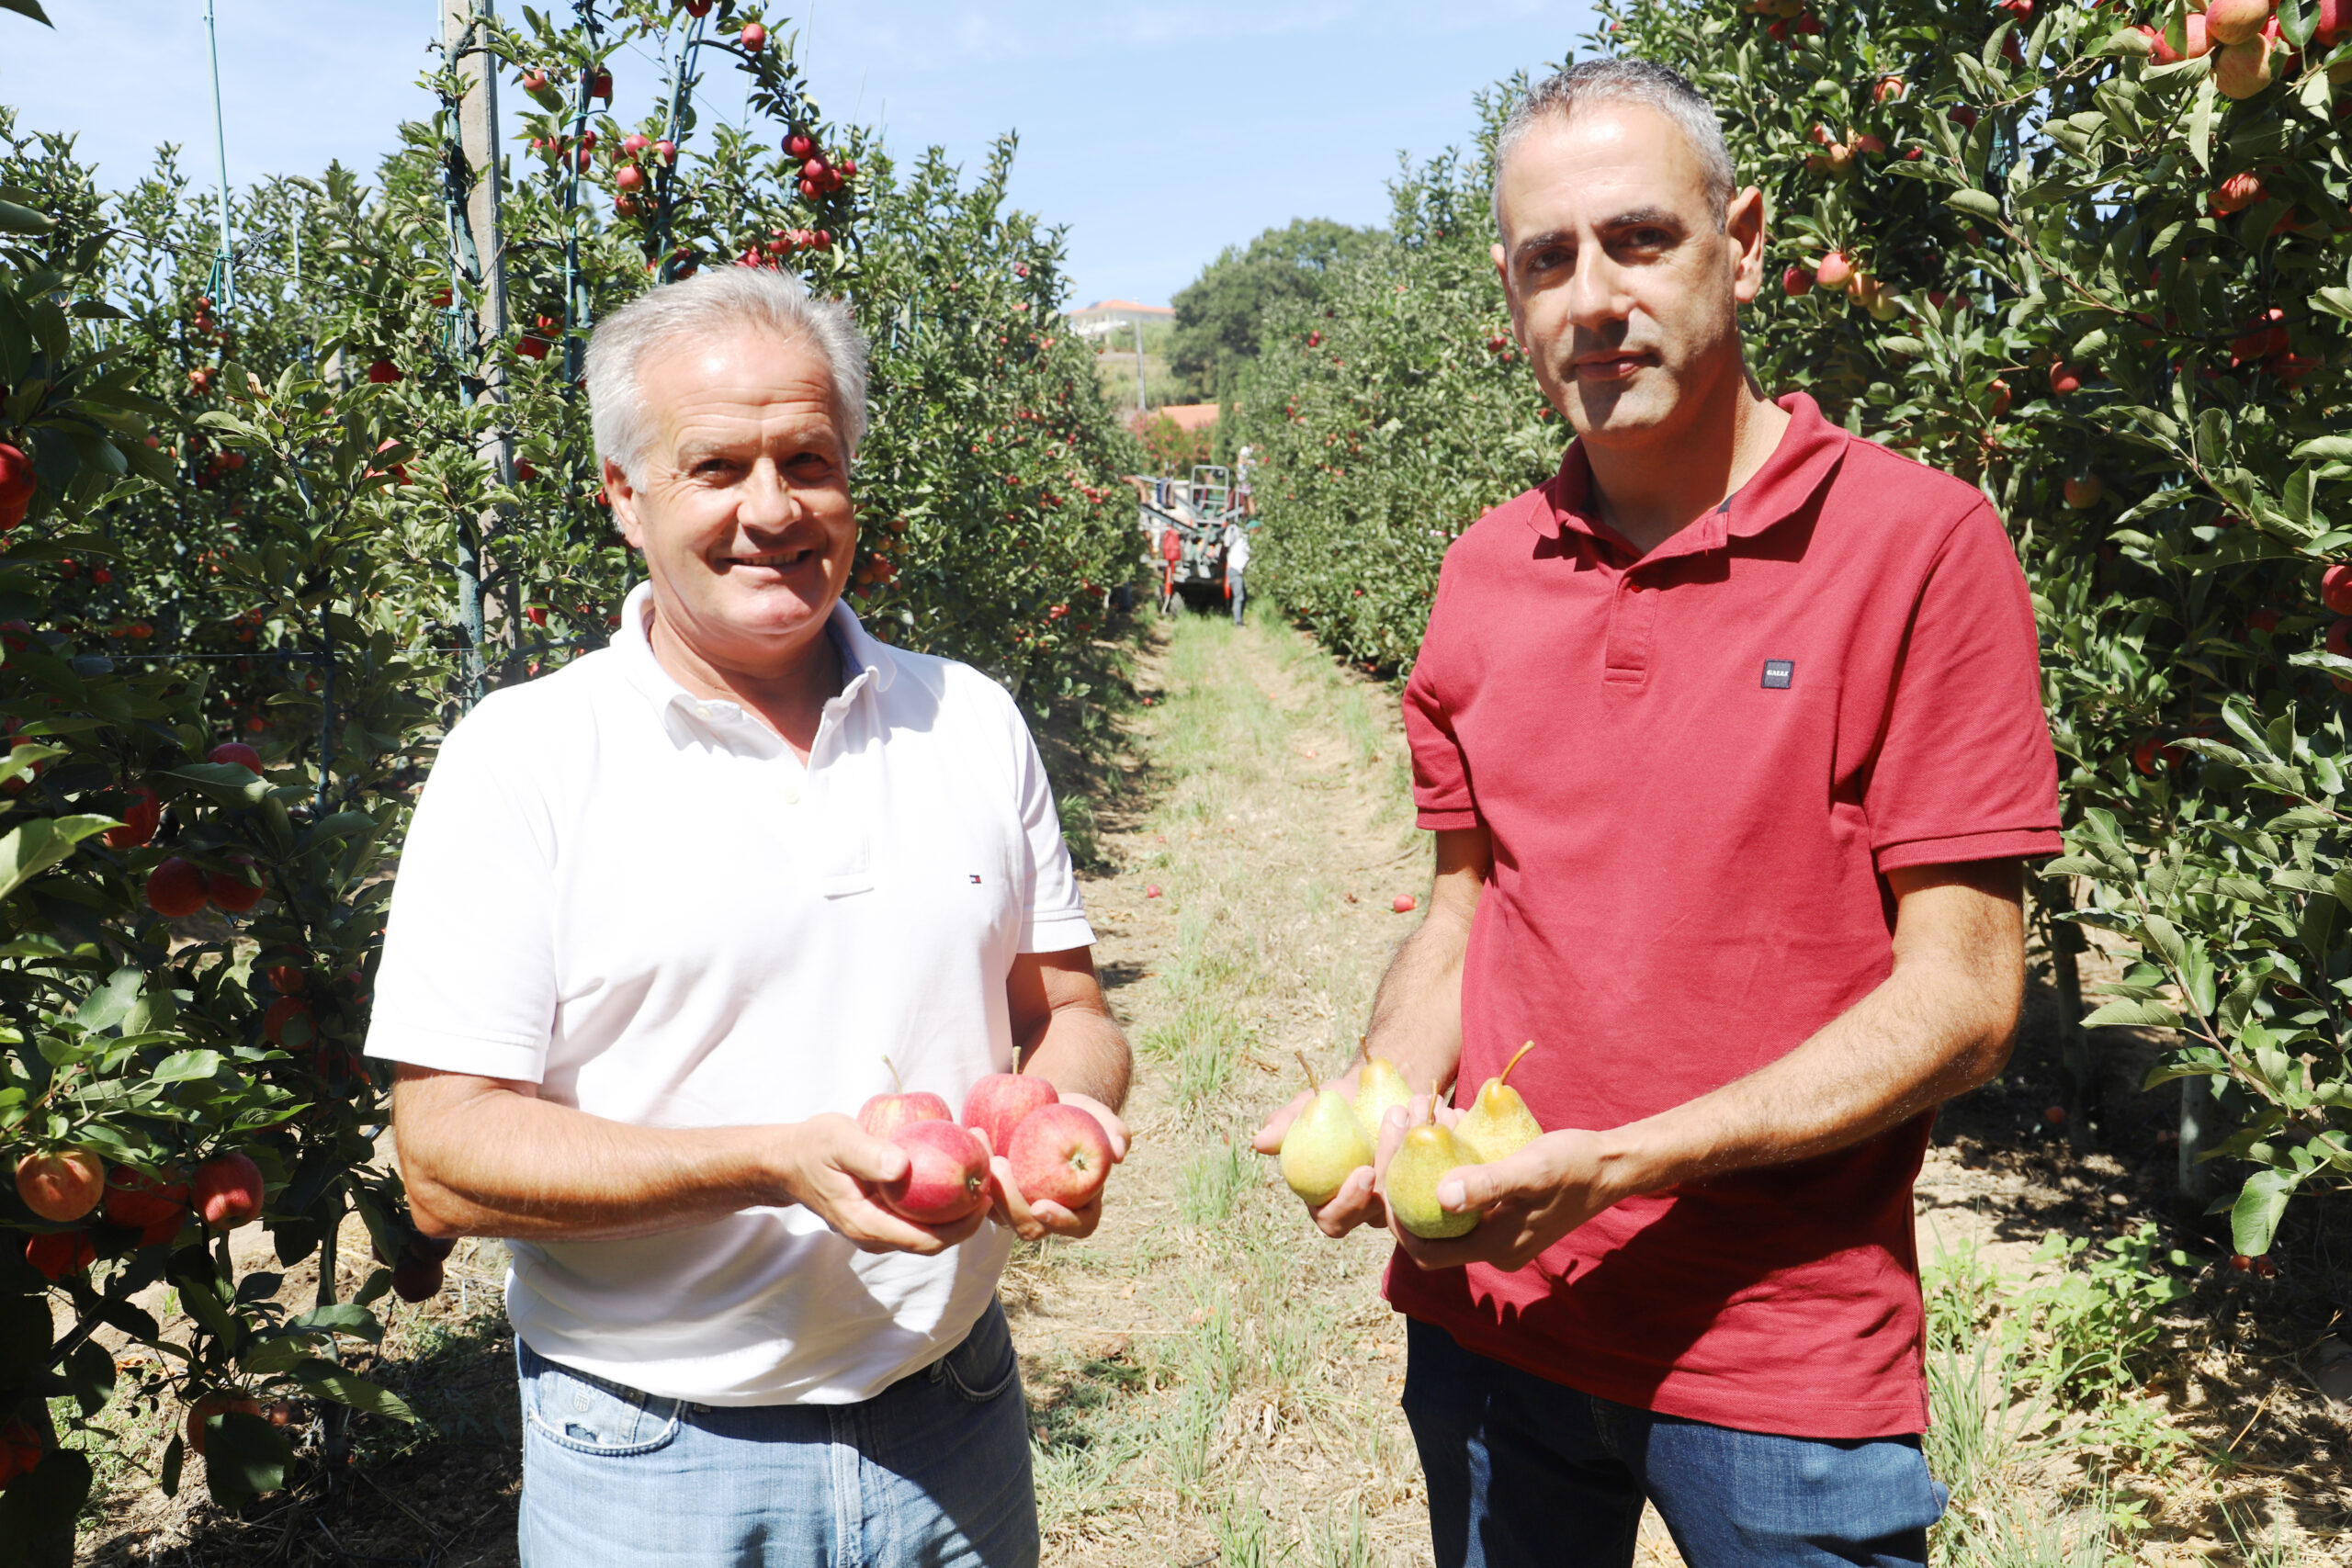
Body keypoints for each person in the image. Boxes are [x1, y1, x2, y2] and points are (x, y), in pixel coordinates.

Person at [1254, 59, 2058, 1568]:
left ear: (1743, 242)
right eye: (1547, 260)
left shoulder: (1917, 547)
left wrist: (1618, 1161)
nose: (1593, 296)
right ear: (1509, 300)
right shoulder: (1485, 571)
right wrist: (1376, 1102)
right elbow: (1465, 906)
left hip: (1777, 1347)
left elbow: (1966, 996)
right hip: (1493, 1316)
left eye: (1640, 239)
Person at [367, 268, 1132, 1568]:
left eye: (809, 461)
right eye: (716, 464)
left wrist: (1068, 1113)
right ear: (625, 494)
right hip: (654, 1457)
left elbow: (1065, 1011)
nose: (772, 509)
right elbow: (442, 1151)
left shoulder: (969, 720)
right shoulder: (523, 759)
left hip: (953, 1414)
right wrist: (775, 1161)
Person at [1225, 521, 1251, 626]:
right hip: (1235, 571)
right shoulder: (1243, 541)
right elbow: (1249, 552)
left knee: (1243, 596)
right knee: (1239, 597)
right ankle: (1238, 622)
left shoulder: (1240, 541)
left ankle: (1239, 619)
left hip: (1234, 570)